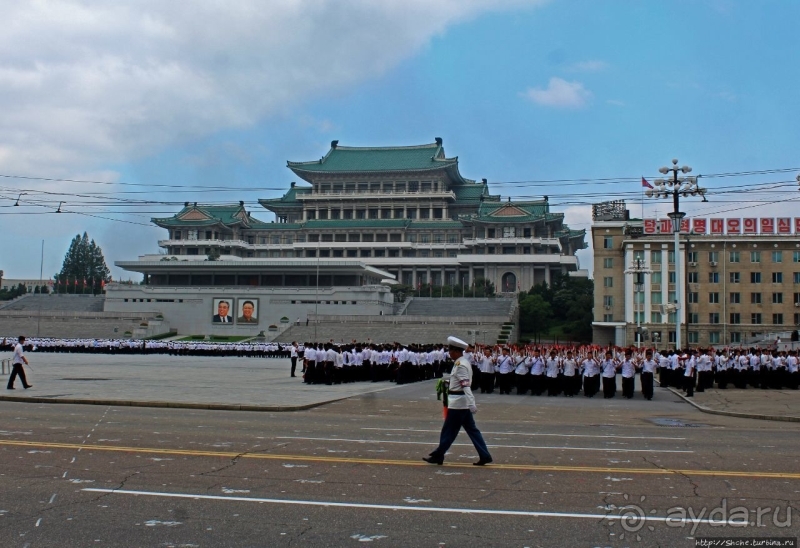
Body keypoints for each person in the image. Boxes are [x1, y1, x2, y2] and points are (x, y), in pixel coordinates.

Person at [423, 336, 493, 466]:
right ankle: (484, 455)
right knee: (471, 430)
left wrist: (471, 402)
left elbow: (465, 384)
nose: (449, 354)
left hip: (459, 403)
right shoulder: (462, 362)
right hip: (461, 402)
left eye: (450, 351)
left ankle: (439, 454)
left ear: (456, 351)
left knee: (449, 430)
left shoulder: (460, 365)